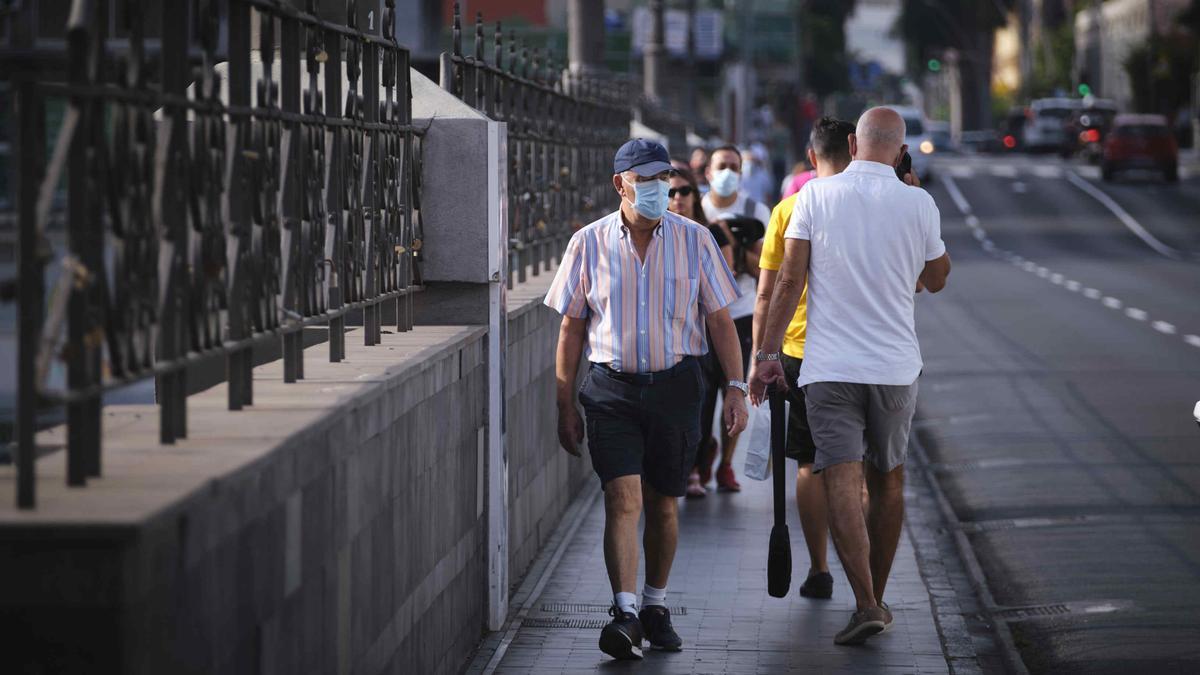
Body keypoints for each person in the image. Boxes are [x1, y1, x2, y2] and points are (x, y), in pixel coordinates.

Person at [750, 107, 951, 646]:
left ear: (856, 146)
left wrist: (767, 354)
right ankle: (876, 598)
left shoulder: (814, 197)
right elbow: (936, 279)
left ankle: (864, 601)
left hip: (829, 367)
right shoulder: (919, 202)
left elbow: (789, 280)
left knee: (837, 475)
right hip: (894, 369)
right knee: (888, 480)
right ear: (901, 150)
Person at [546, 138, 750, 660]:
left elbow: (720, 321)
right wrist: (564, 402)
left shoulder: (695, 240)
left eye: (664, 179)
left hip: (677, 386)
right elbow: (571, 328)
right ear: (621, 184)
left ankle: (656, 605)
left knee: (663, 501)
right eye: (646, 181)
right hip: (610, 390)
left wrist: (736, 387)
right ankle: (625, 610)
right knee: (622, 497)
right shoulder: (587, 244)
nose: (659, 190)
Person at [750, 116, 854, 599]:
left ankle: (819, 568)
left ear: (812, 157)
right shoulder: (875, 206)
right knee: (857, 464)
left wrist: (759, 356)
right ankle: (868, 579)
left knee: (811, 464)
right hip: (860, 353)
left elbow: (767, 292)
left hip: (798, 353)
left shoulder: (789, 208)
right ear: (854, 150)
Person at [699, 145, 771, 493]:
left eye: (734, 167)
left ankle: (726, 463)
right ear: (708, 173)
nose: (727, 172)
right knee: (700, 397)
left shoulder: (756, 211)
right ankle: (702, 455)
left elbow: (769, 270)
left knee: (733, 390)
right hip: (699, 316)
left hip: (740, 313)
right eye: (721, 166)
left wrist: (737, 249)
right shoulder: (696, 208)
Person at [664, 167, 734, 499]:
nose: (677, 198)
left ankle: (698, 463)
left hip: (708, 334)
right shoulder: (656, 236)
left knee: (704, 404)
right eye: (670, 192)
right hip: (672, 338)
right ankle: (689, 464)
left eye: (684, 191)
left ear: (695, 193)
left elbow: (725, 287)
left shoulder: (709, 234)